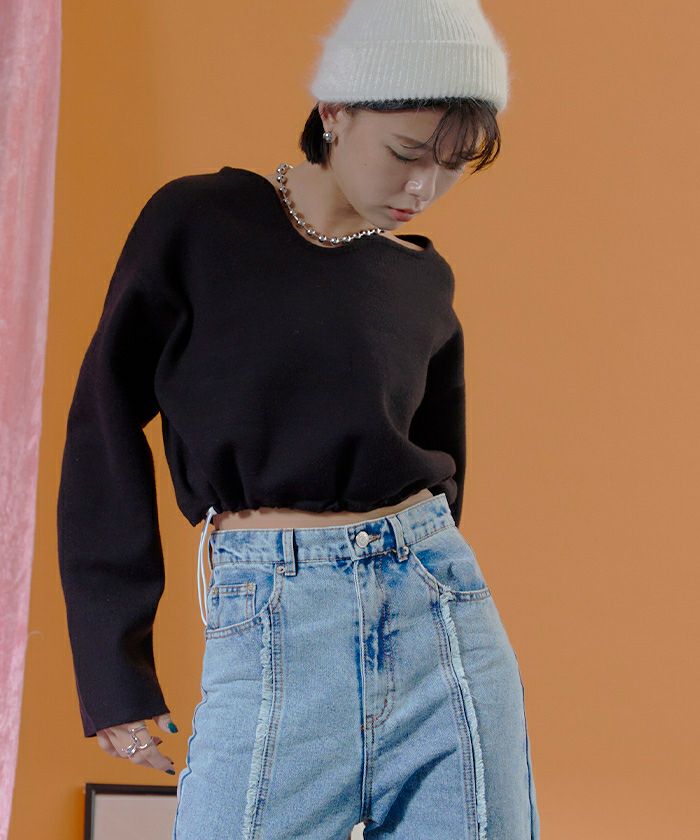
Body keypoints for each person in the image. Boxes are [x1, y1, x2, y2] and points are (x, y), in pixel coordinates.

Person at [57, 1, 540, 837]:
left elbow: (443, 470)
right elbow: (102, 423)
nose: (423, 189)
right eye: (406, 153)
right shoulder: (200, 224)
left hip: (443, 620)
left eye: (452, 166)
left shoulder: (422, 280)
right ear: (334, 111)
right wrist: (114, 664)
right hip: (276, 618)